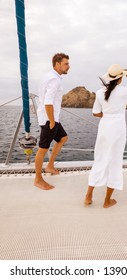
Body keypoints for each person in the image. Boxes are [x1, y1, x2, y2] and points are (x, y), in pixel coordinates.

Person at [84, 64, 127, 208]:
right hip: (118, 128)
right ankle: (107, 201)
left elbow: (96, 113)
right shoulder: (124, 91)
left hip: (104, 127)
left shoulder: (99, 92)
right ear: (120, 78)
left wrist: (108, 116)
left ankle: (88, 196)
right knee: (114, 161)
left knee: (100, 159)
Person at [34, 53, 70, 190]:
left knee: (63, 138)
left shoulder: (49, 76)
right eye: (66, 64)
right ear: (57, 64)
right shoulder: (54, 80)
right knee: (42, 149)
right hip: (50, 119)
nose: (68, 66)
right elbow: (48, 102)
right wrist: (52, 121)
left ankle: (49, 166)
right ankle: (38, 179)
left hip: (52, 118)